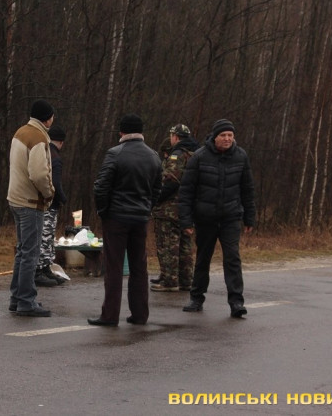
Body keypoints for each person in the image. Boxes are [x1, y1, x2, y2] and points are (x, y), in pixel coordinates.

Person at [88, 114, 162, 327]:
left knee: (114, 267)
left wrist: (104, 211)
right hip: (140, 218)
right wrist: (147, 208)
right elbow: (157, 188)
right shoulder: (154, 156)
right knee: (139, 267)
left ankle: (110, 315)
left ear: (121, 132)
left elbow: (101, 186)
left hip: (116, 217)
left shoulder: (115, 154)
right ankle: (140, 314)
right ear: (141, 132)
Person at [179, 119, 256, 318]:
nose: (227, 139)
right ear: (215, 137)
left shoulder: (241, 156)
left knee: (232, 258)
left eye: (230, 135)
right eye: (223, 135)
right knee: (203, 258)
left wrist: (249, 217)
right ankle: (196, 298)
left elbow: (247, 189)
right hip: (205, 217)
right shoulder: (199, 157)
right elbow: (186, 191)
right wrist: (186, 220)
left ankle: (236, 302)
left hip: (231, 217)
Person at [6, 99, 56, 317]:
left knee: (22, 251)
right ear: (48, 118)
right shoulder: (38, 138)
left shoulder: (21, 132)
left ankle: (17, 297)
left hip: (16, 199)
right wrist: (49, 192)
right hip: (31, 202)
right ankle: (26, 301)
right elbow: (38, 174)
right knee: (31, 254)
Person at [150, 124, 199, 292]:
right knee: (185, 246)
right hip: (188, 208)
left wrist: (156, 199)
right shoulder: (195, 154)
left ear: (175, 137)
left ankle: (170, 281)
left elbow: (170, 181)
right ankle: (186, 280)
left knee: (168, 245)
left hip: (170, 208)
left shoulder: (177, 155)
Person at [35, 125, 68, 287]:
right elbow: (55, 182)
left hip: (40, 201)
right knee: (46, 237)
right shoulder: (55, 157)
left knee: (47, 236)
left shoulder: (44, 152)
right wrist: (62, 198)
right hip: (50, 203)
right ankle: (39, 271)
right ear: (61, 142)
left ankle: (46, 268)